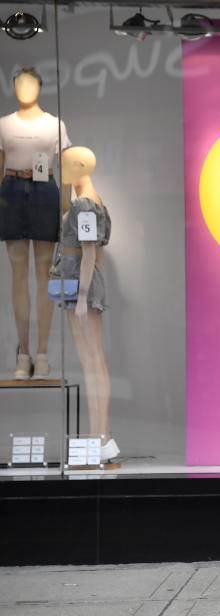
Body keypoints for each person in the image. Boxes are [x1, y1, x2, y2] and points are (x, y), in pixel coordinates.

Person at [0, 66, 71, 379]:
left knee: (44, 274)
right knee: (18, 274)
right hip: (11, 190)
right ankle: (23, 352)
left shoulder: (55, 125)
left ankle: (42, 353)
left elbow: (67, 164)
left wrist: (66, 208)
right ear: (13, 86)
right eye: (19, 83)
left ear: (40, 87)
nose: (25, 88)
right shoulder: (3, 124)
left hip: (44, 190)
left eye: (30, 83)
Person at [59, 146, 118, 462]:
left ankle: (100, 436)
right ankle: (101, 435)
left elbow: (90, 252)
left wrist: (82, 297)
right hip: (80, 281)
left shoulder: (84, 204)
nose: (60, 168)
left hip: (81, 284)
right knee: (94, 361)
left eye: (65, 164)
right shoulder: (90, 200)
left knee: (92, 361)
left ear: (80, 166)